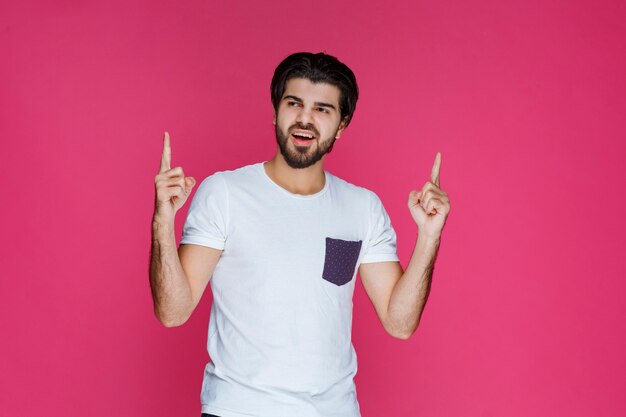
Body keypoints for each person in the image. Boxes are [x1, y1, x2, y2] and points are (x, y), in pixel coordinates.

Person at [149, 52, 451, 417]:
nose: (305, 119)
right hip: (238, 409)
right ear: (276, 110)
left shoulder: (362, 207)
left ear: (341, 125)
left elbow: (400, 323)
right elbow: (172, 312)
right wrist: (162, 221)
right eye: (294, 103)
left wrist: (429, 235)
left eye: (323, 109)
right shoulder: (224, 194)